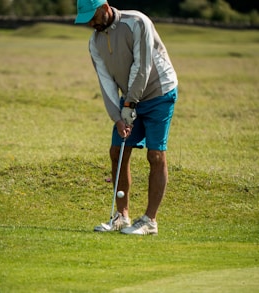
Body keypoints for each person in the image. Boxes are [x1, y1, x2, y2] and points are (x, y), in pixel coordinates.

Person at [75, 0, 178, 235]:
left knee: (155, 154)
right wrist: (117, 117)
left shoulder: (137, 22)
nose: (90, 23)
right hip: (131, 98)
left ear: (105, 7)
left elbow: (142, 67)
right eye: (86, 19)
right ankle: (121, 216)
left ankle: (150, 221)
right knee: (118, 151)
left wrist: (130, 103)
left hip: (159, 92)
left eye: (93, 16)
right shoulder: (95, 42)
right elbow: (106, 82)